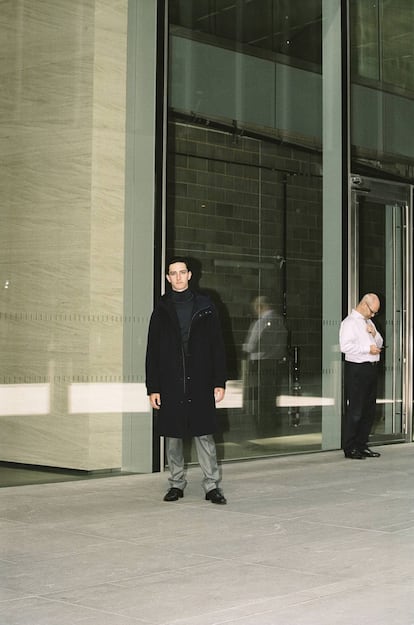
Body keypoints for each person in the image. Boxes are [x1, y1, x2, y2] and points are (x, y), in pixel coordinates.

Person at [145, 256, 227, 504]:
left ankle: (211, 486)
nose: (178, 277)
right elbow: (152, 351)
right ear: (168, 278)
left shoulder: (206, 305)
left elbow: (217, 346)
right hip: (171, 382)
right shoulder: (161, 309)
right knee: (174, 438)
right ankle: (176, 484)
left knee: (204, 435)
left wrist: (219, 381)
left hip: (200, 380)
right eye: (173, 273)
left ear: (190, 275)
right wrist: (154, 387)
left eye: (182, 272)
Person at [339, 293, 383, 459]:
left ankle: (361, 444)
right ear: (364, 305)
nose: (373, 315)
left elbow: (379, 342)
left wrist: (373, 334)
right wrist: (367, 350)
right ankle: (350, 447)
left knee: (368, 410)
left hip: (371, 368)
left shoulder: (368, 322)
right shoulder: (349, 323)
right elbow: (345, 347)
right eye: (372, 311)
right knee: (356, 410)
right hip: (357, 369)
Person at [242, 295, 288, 436]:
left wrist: (244, 347)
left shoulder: (261, 322)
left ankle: (263, 431)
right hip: (275, 363)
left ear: (259, 307)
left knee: (259, 400)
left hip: (260, 364)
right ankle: (273, 428)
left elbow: (251, 345)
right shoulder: (280, 321)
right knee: (271, 398)